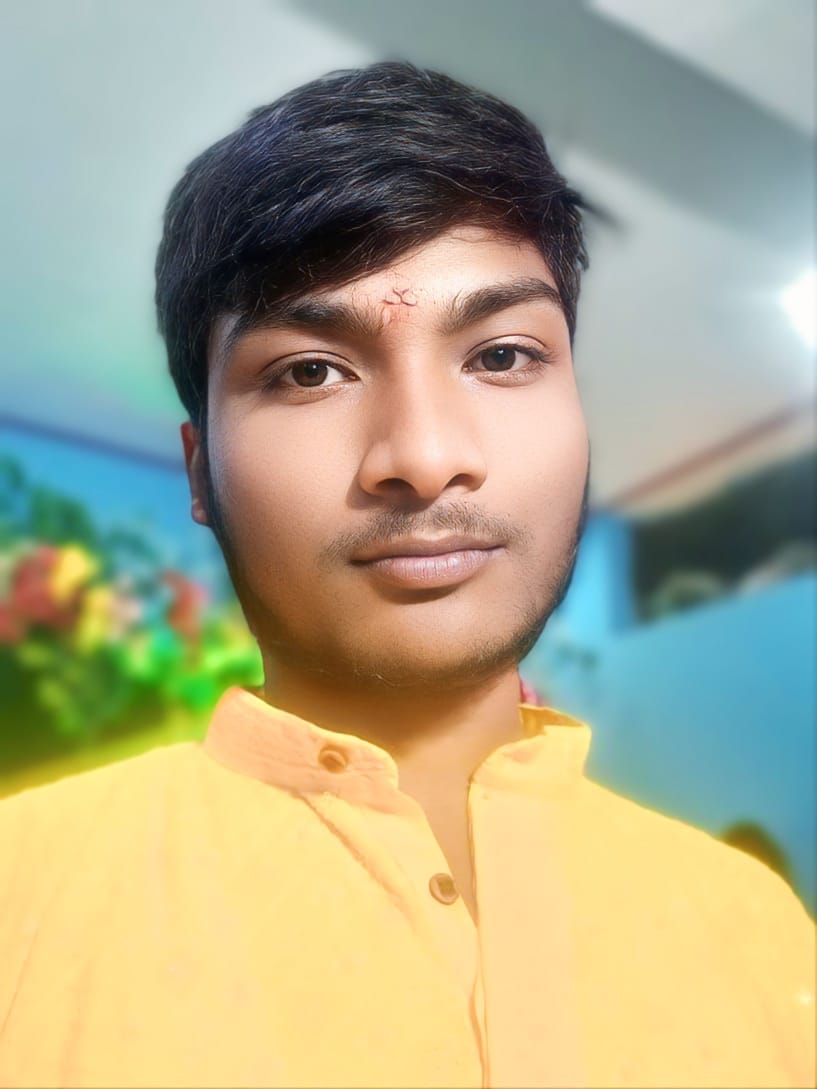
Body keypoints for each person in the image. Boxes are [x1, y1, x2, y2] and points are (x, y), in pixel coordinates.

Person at [0, 61, 813, 1089]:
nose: (424, 457)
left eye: (502, 355)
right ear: (200, 472)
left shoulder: (762, 932)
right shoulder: (22, 895)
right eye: (309, 371)